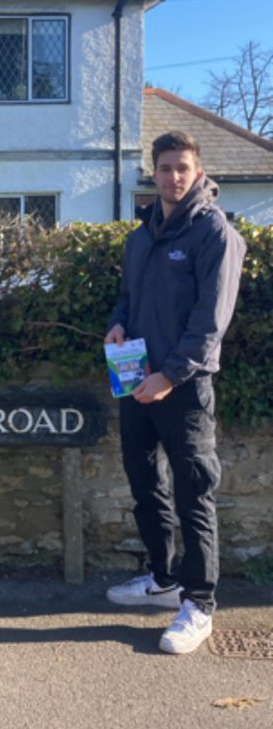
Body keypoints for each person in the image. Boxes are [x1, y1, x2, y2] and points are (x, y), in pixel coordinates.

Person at [104, 131, 246, 654]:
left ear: (198, 171)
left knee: (194, 493)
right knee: (145, 484)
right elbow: (128, 298)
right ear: (154, 172)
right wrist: (117, 326)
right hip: (137, 381)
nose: (174, 177)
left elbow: (211, 322)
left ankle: (199, 603)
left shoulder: (215, 233)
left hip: (183, 389)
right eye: (165, 168)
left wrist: (171, 375)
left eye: (182, 168)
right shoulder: (142, 235)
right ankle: (163, 580)